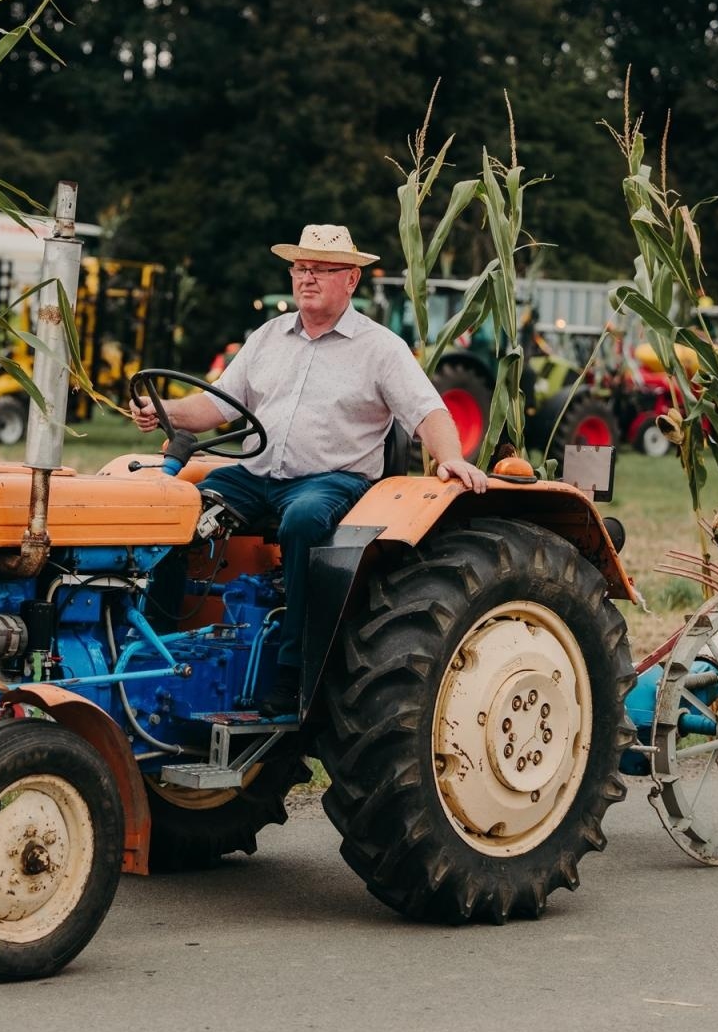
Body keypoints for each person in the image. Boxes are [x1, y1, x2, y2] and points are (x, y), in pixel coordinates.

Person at [131, 224, 488, 716]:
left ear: (352, 279)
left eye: (322, 269)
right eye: (301, 268)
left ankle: (293, 670)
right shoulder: (268, 337)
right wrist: (163, 411)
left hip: (332, 479)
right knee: (174, 509)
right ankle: (160, 648)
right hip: (256, 477)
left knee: (303, 519)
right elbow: (215, 408)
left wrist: (449, 458)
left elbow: (428, 411)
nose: (308, 278)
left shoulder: (380, 348)